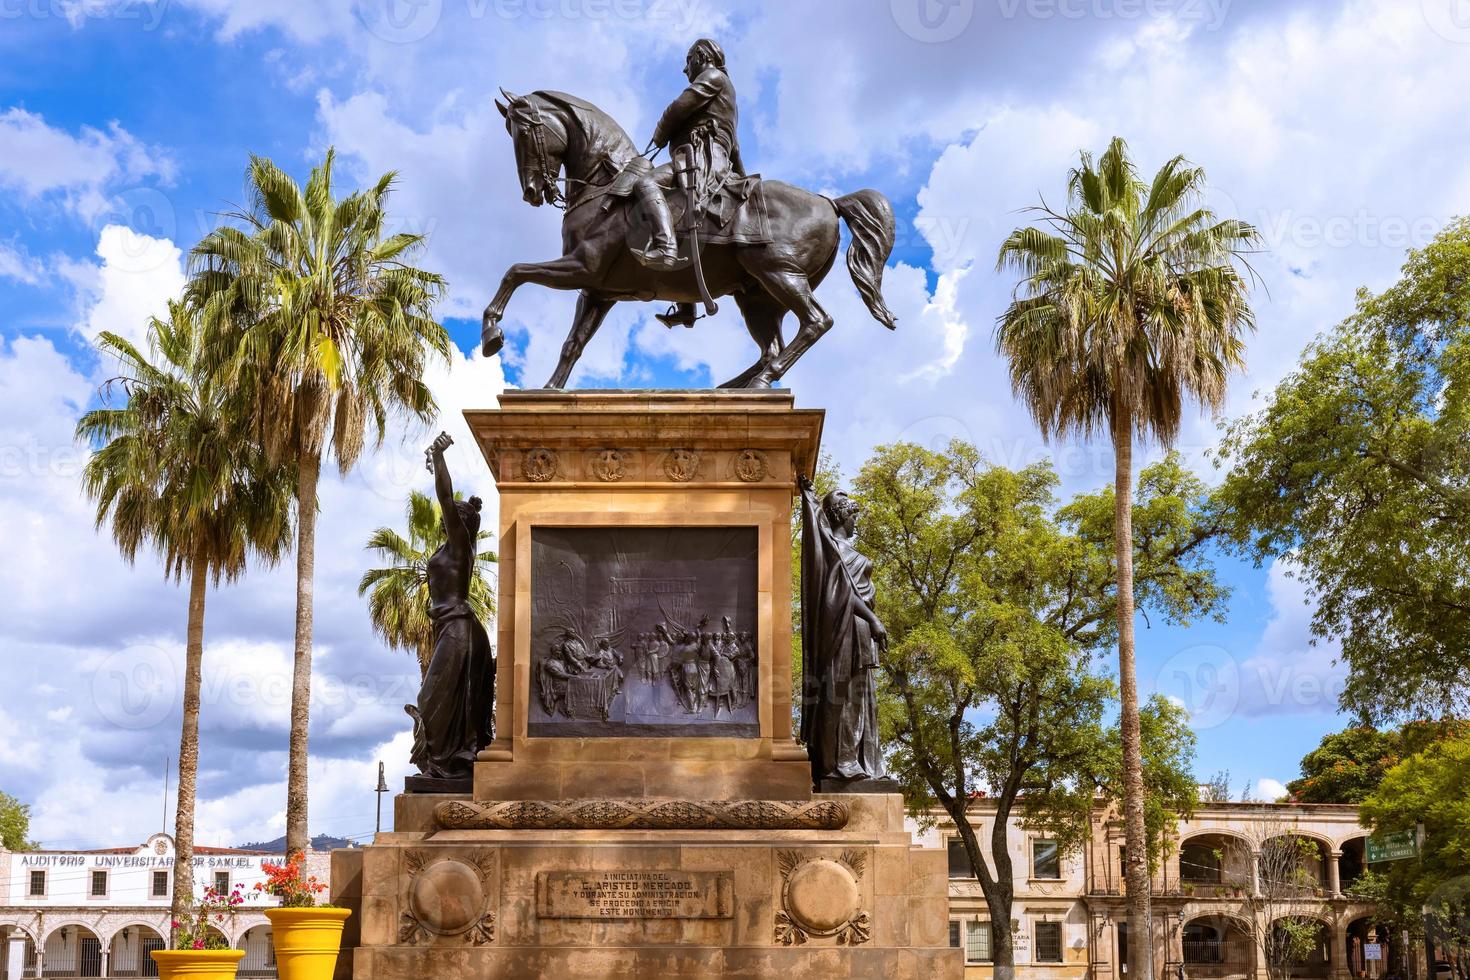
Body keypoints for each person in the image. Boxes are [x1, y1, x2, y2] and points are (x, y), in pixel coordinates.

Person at [630, 38, 745, 330]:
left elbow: (679, 108)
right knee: (674, 210)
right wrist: (740, 178)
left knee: (645, 184)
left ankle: (666, 248)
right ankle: (685, 304)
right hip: (712, 159)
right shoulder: (726, 93)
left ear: (701, 56)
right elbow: (736, 149)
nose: (685, 69)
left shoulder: (714, 77)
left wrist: (659, 135)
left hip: (701, 158)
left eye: (688, 59)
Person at [405, 432, 495, 780]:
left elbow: (444, 495)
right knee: (453, 695)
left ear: (461, 523)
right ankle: (450, 760)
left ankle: (445, 759)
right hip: (453, 626)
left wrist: (439, 457)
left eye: (453, 515)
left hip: (458, 627)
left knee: (431, 698)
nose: (446, 517)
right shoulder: (453, 548)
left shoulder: (461, 547)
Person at [798, 476, 889, 786]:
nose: (855, 521)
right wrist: (874, 620)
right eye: (852, 514)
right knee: (845, 696)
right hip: (844, 630)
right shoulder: (833, 549)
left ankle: (867, 762)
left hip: (861, 633)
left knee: (862, 697)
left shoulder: (845, 548)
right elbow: (843, 594)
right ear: (840, 515)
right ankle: (843, 763)